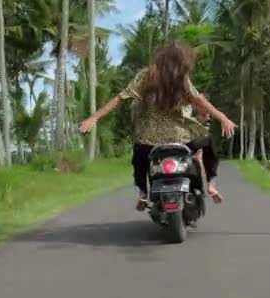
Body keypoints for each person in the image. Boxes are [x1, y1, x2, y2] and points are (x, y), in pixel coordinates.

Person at [79, 42, 236, 209]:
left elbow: (119, 98)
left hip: (149, 141)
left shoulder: (145, 75)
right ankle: (211, 183)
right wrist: (223, 118)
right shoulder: (181, 78)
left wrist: (93, 118)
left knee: (139, 156)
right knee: (208, 142)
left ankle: (143, 192)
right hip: (181, 139)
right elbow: (200, 100)